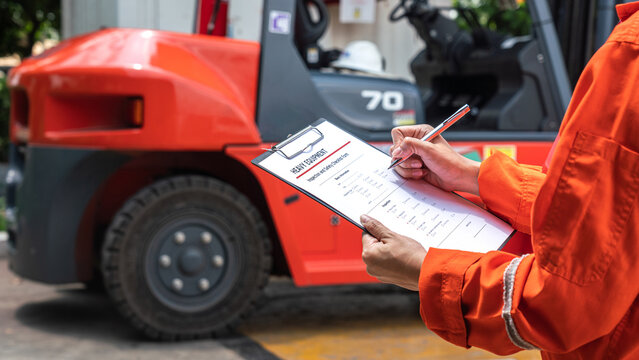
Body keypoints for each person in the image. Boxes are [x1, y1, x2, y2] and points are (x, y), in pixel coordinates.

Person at [360, 2, 639, 359]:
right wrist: (472, 175)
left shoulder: (631, 55)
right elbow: (607, 214)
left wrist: (426, 271)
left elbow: (562, 304)